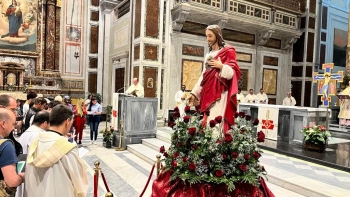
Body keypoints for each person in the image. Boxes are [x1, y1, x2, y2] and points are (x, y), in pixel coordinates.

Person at [24, 105, 88, 197]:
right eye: (71, 122)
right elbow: (79, 182)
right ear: (67, 122)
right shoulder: (67, 148)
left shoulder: (35, 142)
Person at [187, 24, 241, 132]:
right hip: (208, 92)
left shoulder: (228, 51)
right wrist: (194, 93)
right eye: (206, 36)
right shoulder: (209, 55)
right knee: (208, 121)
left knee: (216, 121)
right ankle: (209, 146)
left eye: (210, 36)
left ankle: (218, 145)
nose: (208, 39)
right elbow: (204, 75)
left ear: (217, 35)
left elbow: (233, 73)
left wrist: (221, 66)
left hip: (221, 93)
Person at [0, 108, 25, 196]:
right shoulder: (5, 145)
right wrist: (22, 177)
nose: (13, 127)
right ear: (3, 124)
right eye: (13, 124)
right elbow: (12, 181)